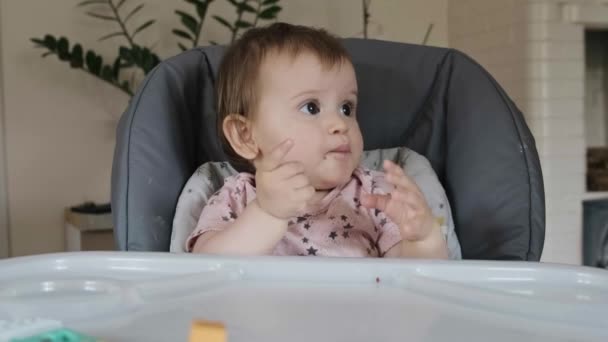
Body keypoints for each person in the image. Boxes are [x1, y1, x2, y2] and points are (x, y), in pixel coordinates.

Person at [186, 22, 461, 259]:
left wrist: (422, 240)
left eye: (347, 108)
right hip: (257, 321)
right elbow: (205, 271)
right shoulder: (237, 198)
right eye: (311, 107)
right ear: (245, 135)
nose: (340, 124)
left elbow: (414, 290)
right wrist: (266, 214)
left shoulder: (374, 196)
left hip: (361, 320)